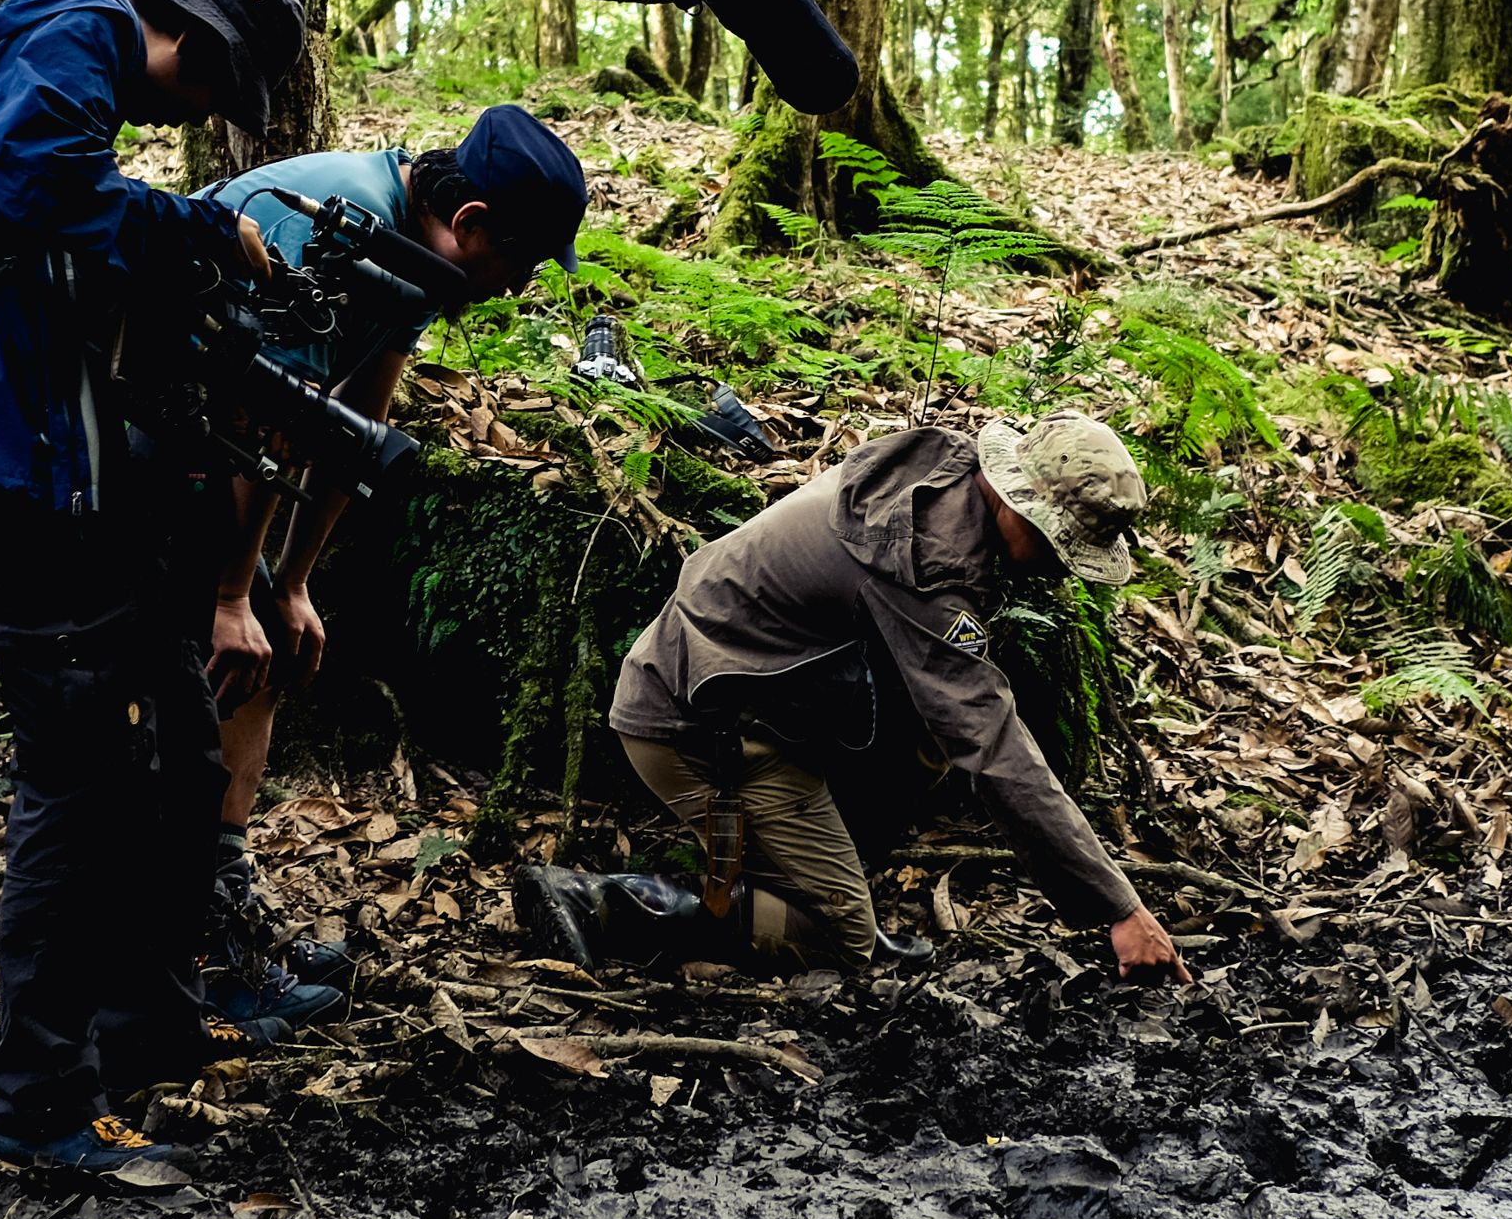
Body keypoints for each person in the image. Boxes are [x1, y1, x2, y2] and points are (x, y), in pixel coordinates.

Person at [0, 0, 308, 1175]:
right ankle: (40, 1102)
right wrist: (199, 231)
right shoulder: (73, 41)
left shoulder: (63, 43)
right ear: (196, 46)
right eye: (214, 96)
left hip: (56, 457)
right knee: (79, 782)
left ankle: (147, 1018)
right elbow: (40, 193)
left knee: (172, 725)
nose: (199, 119)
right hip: (7, 467)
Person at [521, 412, 1193, 985]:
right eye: (1056, 545)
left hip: (749, 691)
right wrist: (1116, 906)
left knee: (924, 744)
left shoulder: (939, 479)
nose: (1055, 566)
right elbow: (991, 745)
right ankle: (601, 903)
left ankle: (825, 886)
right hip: (694, 725)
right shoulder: (927, 559)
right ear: (1021, 502)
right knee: (844, 942)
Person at [188, 106, 588, 1028]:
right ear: (474, 222)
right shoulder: (334, 221)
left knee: (263, 664)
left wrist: (289, 586)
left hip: (215, 456)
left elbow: (351, 431)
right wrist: (227, 593)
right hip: (135, 450)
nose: (517, 287)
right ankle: (199, 952)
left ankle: (222, 909)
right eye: (519, 262)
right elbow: (257, 425)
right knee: (211, 672)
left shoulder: (411, 253)